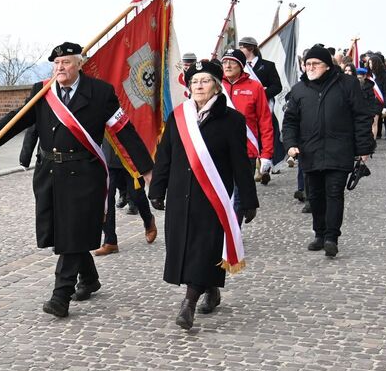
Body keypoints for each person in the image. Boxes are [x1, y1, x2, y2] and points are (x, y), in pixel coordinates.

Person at [0, 42, 153, 318]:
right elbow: (18, 119)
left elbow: (123, 129)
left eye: (66, 62)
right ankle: (89, 278)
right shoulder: (43, 91)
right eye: (56, 63)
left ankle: (61, 294)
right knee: (60, 232)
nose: (60, 68)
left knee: (73, 231)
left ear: (80, 64)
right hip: (50, 173)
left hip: (85, 173)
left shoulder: (101, 93)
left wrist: (146, 168)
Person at [147, 59, 258, 332]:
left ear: (217, 86)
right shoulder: (179, 115)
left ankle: (189, 303)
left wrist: (249, 198)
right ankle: (210, 287)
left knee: (204, 246)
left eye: (205, 80)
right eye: (194, 81)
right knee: (184, 246)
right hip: (179, 194)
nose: (198, 85)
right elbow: (165, 155)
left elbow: (240, 163)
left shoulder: (232, 120)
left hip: (213, 197)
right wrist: (157, 188)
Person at [282, 45, 375, 258]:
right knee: (314, 195)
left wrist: (363, 148)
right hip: (310, 150)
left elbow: (361, 116)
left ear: (327, 65)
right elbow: (290, 121)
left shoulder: (348, 84)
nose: (311, 67)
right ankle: (319, 234)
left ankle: (332, 237)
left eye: (315, 64)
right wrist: (290, 144)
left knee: (334, 193)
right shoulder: (298, 90)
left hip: (339, 149)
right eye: (307, 64)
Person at [220, 48, 273, 201]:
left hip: (246, 150)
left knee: (239, 197)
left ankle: (236, 224)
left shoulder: (255, 87)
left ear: (241, 65)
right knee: (221, 196)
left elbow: (265, 121)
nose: (228, 66)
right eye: (225, 62)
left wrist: (267, 154)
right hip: (219, 149)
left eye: (232, 62)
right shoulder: (215, 85)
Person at [94, 138, 157, 256]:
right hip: (109, 157)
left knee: (136, 195)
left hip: (131, 157)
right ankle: (110, 241)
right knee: (106, 197)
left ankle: (149, 221)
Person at [238, 36, 284, 171]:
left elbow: (277, 86)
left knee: (266, 134)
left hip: (264, 106)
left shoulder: (268, 65)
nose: (240, 50)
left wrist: (260, 95)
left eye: (242, 47)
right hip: (247, 108)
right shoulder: (240, 67)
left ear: (250, 48)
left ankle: (266, 164)